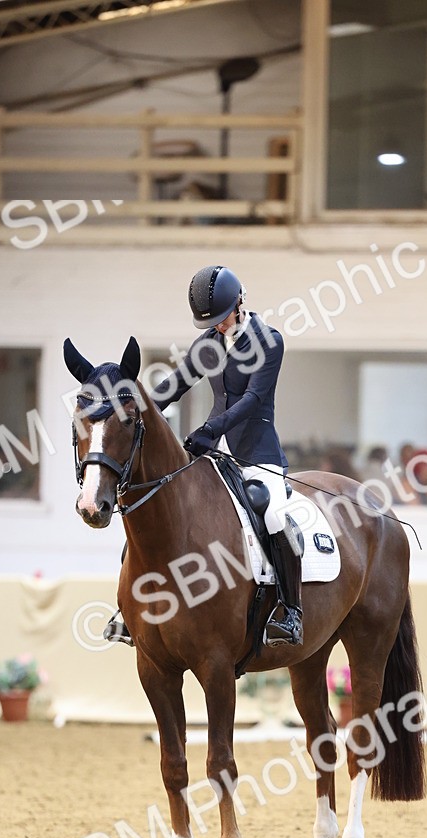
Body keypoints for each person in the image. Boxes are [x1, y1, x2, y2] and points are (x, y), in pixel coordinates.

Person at [109, 264, 302, 648]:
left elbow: (253, 400)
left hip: (257, 454)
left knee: (275, 514)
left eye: (220, 318)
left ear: (239, 303)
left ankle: (290, 611)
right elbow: (176, 383)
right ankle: (127, 609)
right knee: (154, 508)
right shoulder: (211, 342)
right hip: (211, 453)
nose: (216, 327)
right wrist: (135, 409)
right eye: (209, 323)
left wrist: (211, 429)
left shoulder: (269, 341)